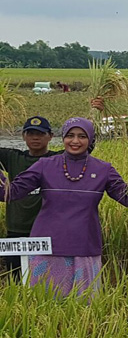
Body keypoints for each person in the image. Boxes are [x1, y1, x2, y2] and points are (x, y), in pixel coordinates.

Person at [0, 118, 128, 298]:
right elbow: (11, 193)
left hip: (84, 248)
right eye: (70, 135)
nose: (75, 141)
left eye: (82, 136)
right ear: (63, 137)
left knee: (83, 311)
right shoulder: (44, 165)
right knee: (44, 306)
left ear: (90, 139)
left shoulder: (103, 169)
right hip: (47, 248)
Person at [0, 116, 60, 280]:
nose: (35, 137)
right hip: (16, 231)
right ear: (23, 136)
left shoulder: (58, 159)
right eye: (31, 133)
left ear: (51, 136)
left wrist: (95, 114)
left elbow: (85, 148)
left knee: (46, 280)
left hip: (46, 231)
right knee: (16, 279)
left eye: (40, 134)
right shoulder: (13, 157)